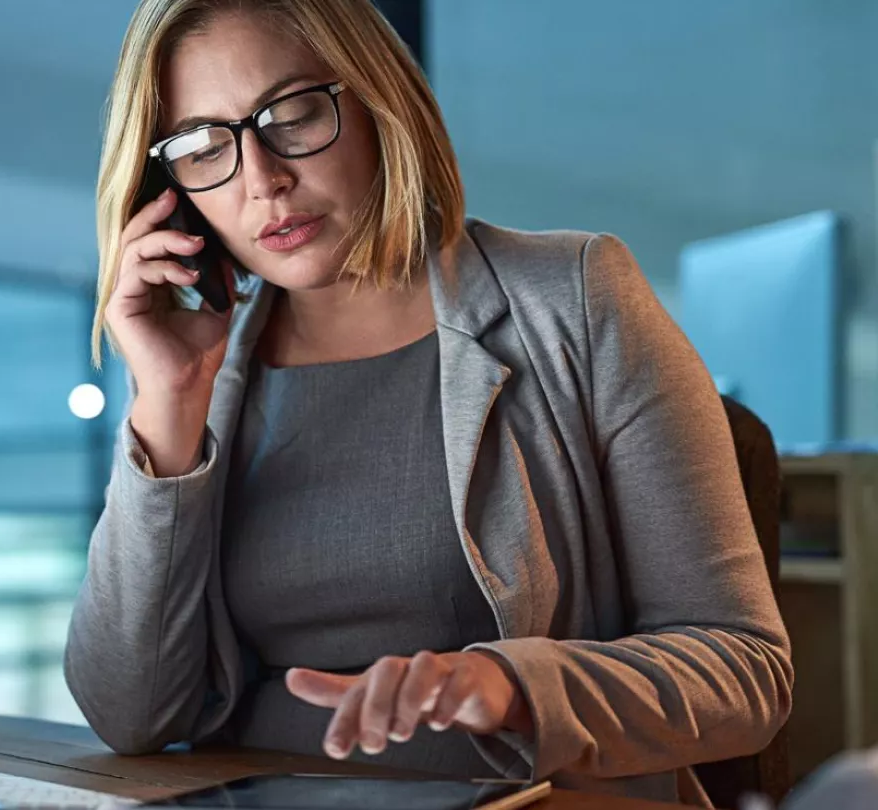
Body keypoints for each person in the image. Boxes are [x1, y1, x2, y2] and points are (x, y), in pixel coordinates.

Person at [63, 0, 793, 805]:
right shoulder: (204, 370)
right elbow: (129, 714)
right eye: (204, 147)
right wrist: (168, 401)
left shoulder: (575, 297)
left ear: (380, 103)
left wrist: (508, 683)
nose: (262, 179)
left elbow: (744, 672)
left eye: (294, 114)